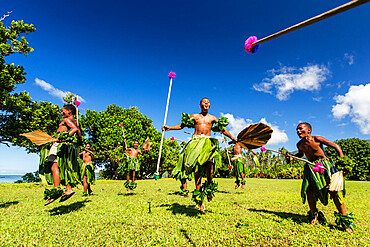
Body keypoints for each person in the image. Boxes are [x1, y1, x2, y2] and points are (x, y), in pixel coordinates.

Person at [163, 98, 237, 211]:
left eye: (208, 103)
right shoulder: (194, 116)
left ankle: (209, 187)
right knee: (197, 171)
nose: (206, 104)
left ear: (210, 106)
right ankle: (200, 199)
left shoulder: (213, 118)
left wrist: (232, 137)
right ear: (200, 105)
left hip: (208, 143)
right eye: (204, 102)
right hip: (195, 142)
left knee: (210, 170)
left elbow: (223, 130)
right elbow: (182, 126)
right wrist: (169, 128)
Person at [287, 122, 354, 233]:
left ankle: (345, 221)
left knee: (335, 192)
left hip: (325, 167)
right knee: (309, 191)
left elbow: (336, 147)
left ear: (309, 130)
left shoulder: (317, 139)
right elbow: (300, 154)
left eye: (301, 129)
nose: (298, 131)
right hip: (312, 169)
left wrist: (343, 163)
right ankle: (314, 215)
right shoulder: (299, 145)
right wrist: (292, 157)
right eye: (297, 130)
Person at [39, 104, 82, 206]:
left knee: (53, 165)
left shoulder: (67, 120)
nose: (62, 114)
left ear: (69, 112)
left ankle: (56, 189)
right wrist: (78, 141)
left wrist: (63, 138)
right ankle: (68, 189)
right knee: (64, 168)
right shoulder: (74, 121)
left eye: (63, 112)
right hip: (67, 145)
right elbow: (78, 132)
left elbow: (74, 130)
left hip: (60, 145)